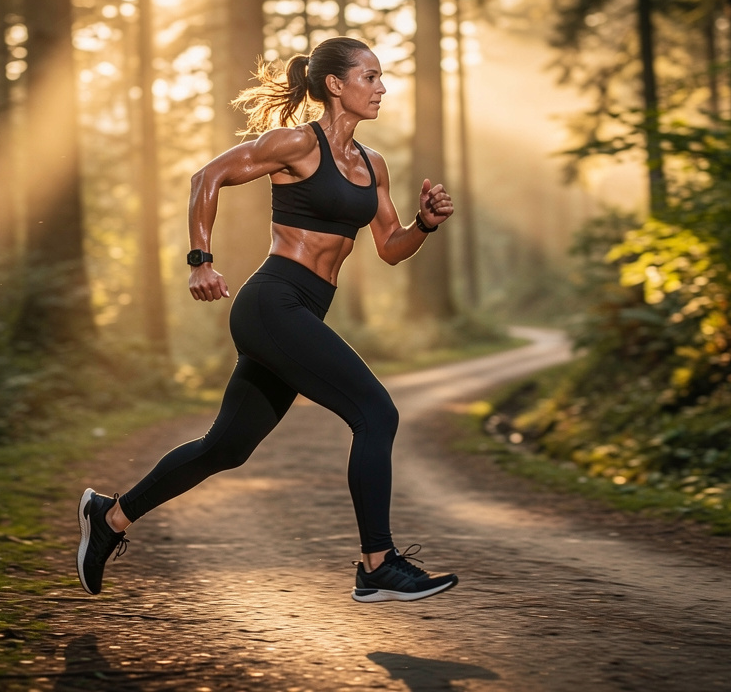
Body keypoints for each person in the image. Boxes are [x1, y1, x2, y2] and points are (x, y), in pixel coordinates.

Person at [76, 36, 457, 603]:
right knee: (376, 413)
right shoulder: (295, 144)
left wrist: (424, 224)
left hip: (303, 310)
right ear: (336, 84)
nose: (381, 88)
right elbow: (205, 178)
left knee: (225, 448)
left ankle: (109, 519)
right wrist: (200, 261)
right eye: (370, 77)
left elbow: (389, 246)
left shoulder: (372, 165)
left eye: (380, 78)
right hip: (273, 301)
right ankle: (377, 565)